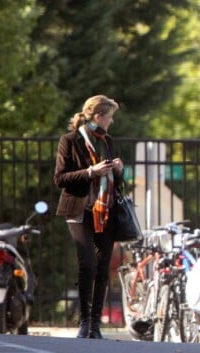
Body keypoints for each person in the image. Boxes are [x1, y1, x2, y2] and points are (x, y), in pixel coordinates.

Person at [53, 95, 125, 339]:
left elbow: (115, 182)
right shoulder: (70, 141)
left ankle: (95, 324)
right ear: (98, 117)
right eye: (110, 116)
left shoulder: (107, 141)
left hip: (106, 210)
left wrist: (118, 171)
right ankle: (84, 321)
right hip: (79, 209)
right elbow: (60, 178)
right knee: (87, 263)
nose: (112, 121)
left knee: (103, 266)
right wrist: (89, 172)